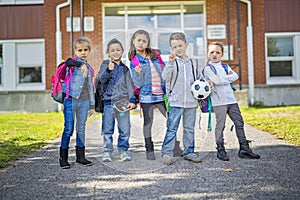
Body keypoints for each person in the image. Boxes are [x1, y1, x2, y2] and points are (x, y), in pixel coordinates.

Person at [128, 29, 183, 160]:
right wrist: (137, 72)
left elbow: (164, 71)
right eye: (138, 40)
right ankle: (149, 150)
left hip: (161, 94)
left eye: (144, 41)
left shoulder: (156, 55)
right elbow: (138, 83)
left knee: (170, 120)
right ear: (134, 42)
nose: (141, 43)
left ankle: (174, 146)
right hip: (146, 95)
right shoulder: (134, 61)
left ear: (148, 42)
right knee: (148, 122)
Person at [202, 42, 260, 161]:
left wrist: (222, 79)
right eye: (212, 52)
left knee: (239, 123)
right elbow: (217, 80)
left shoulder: (225, 67)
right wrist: (225, 79)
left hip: (231, 100)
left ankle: (244, 148)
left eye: (218, 52)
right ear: (208, 54)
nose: (214, 54)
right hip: (219, 102)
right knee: (220, 125)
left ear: (222, 54)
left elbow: (235, 76)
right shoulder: (207, 69)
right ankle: (220, 149)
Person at [161, 32, 202, 165]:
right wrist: (170, 63)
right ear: (171, 48)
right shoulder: (171, 63)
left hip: (191, 102)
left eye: (180, 45)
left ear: (186, 45)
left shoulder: (193, 63)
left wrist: (207, 85)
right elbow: (165, 77)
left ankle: (189, 151)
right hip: (175, 102)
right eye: (174, 47)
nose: (178, 49)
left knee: (189, 128)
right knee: (172, 128)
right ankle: (166, 152)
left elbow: (200, 80)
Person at [96, 39, 136, 162]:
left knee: (125, 129)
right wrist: (108, 70)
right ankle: (107, 151)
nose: (115, 52)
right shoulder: (105, 65)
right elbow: (101, 80)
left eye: (118, 50)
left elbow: (129, 85)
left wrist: (132, 100)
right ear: (108, 52)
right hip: (109, 103)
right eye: (112, 50)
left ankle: (123, 151)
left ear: (122, 51)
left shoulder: (125, 69)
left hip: (123, 103)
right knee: (107, 129)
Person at [59, 37, 95, 169]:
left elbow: (91, 86)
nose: (83, 52)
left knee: (81, 128)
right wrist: (80, 64)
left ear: (89, 51)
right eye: (80, 50)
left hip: (84, 101)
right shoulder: (73, 63)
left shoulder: (90, 68)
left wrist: (92, 105)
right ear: (75, 51)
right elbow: (67, 62)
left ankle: (80, 157)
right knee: (69, 128)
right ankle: (63, 158)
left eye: (86, 50)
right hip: (71, 99)